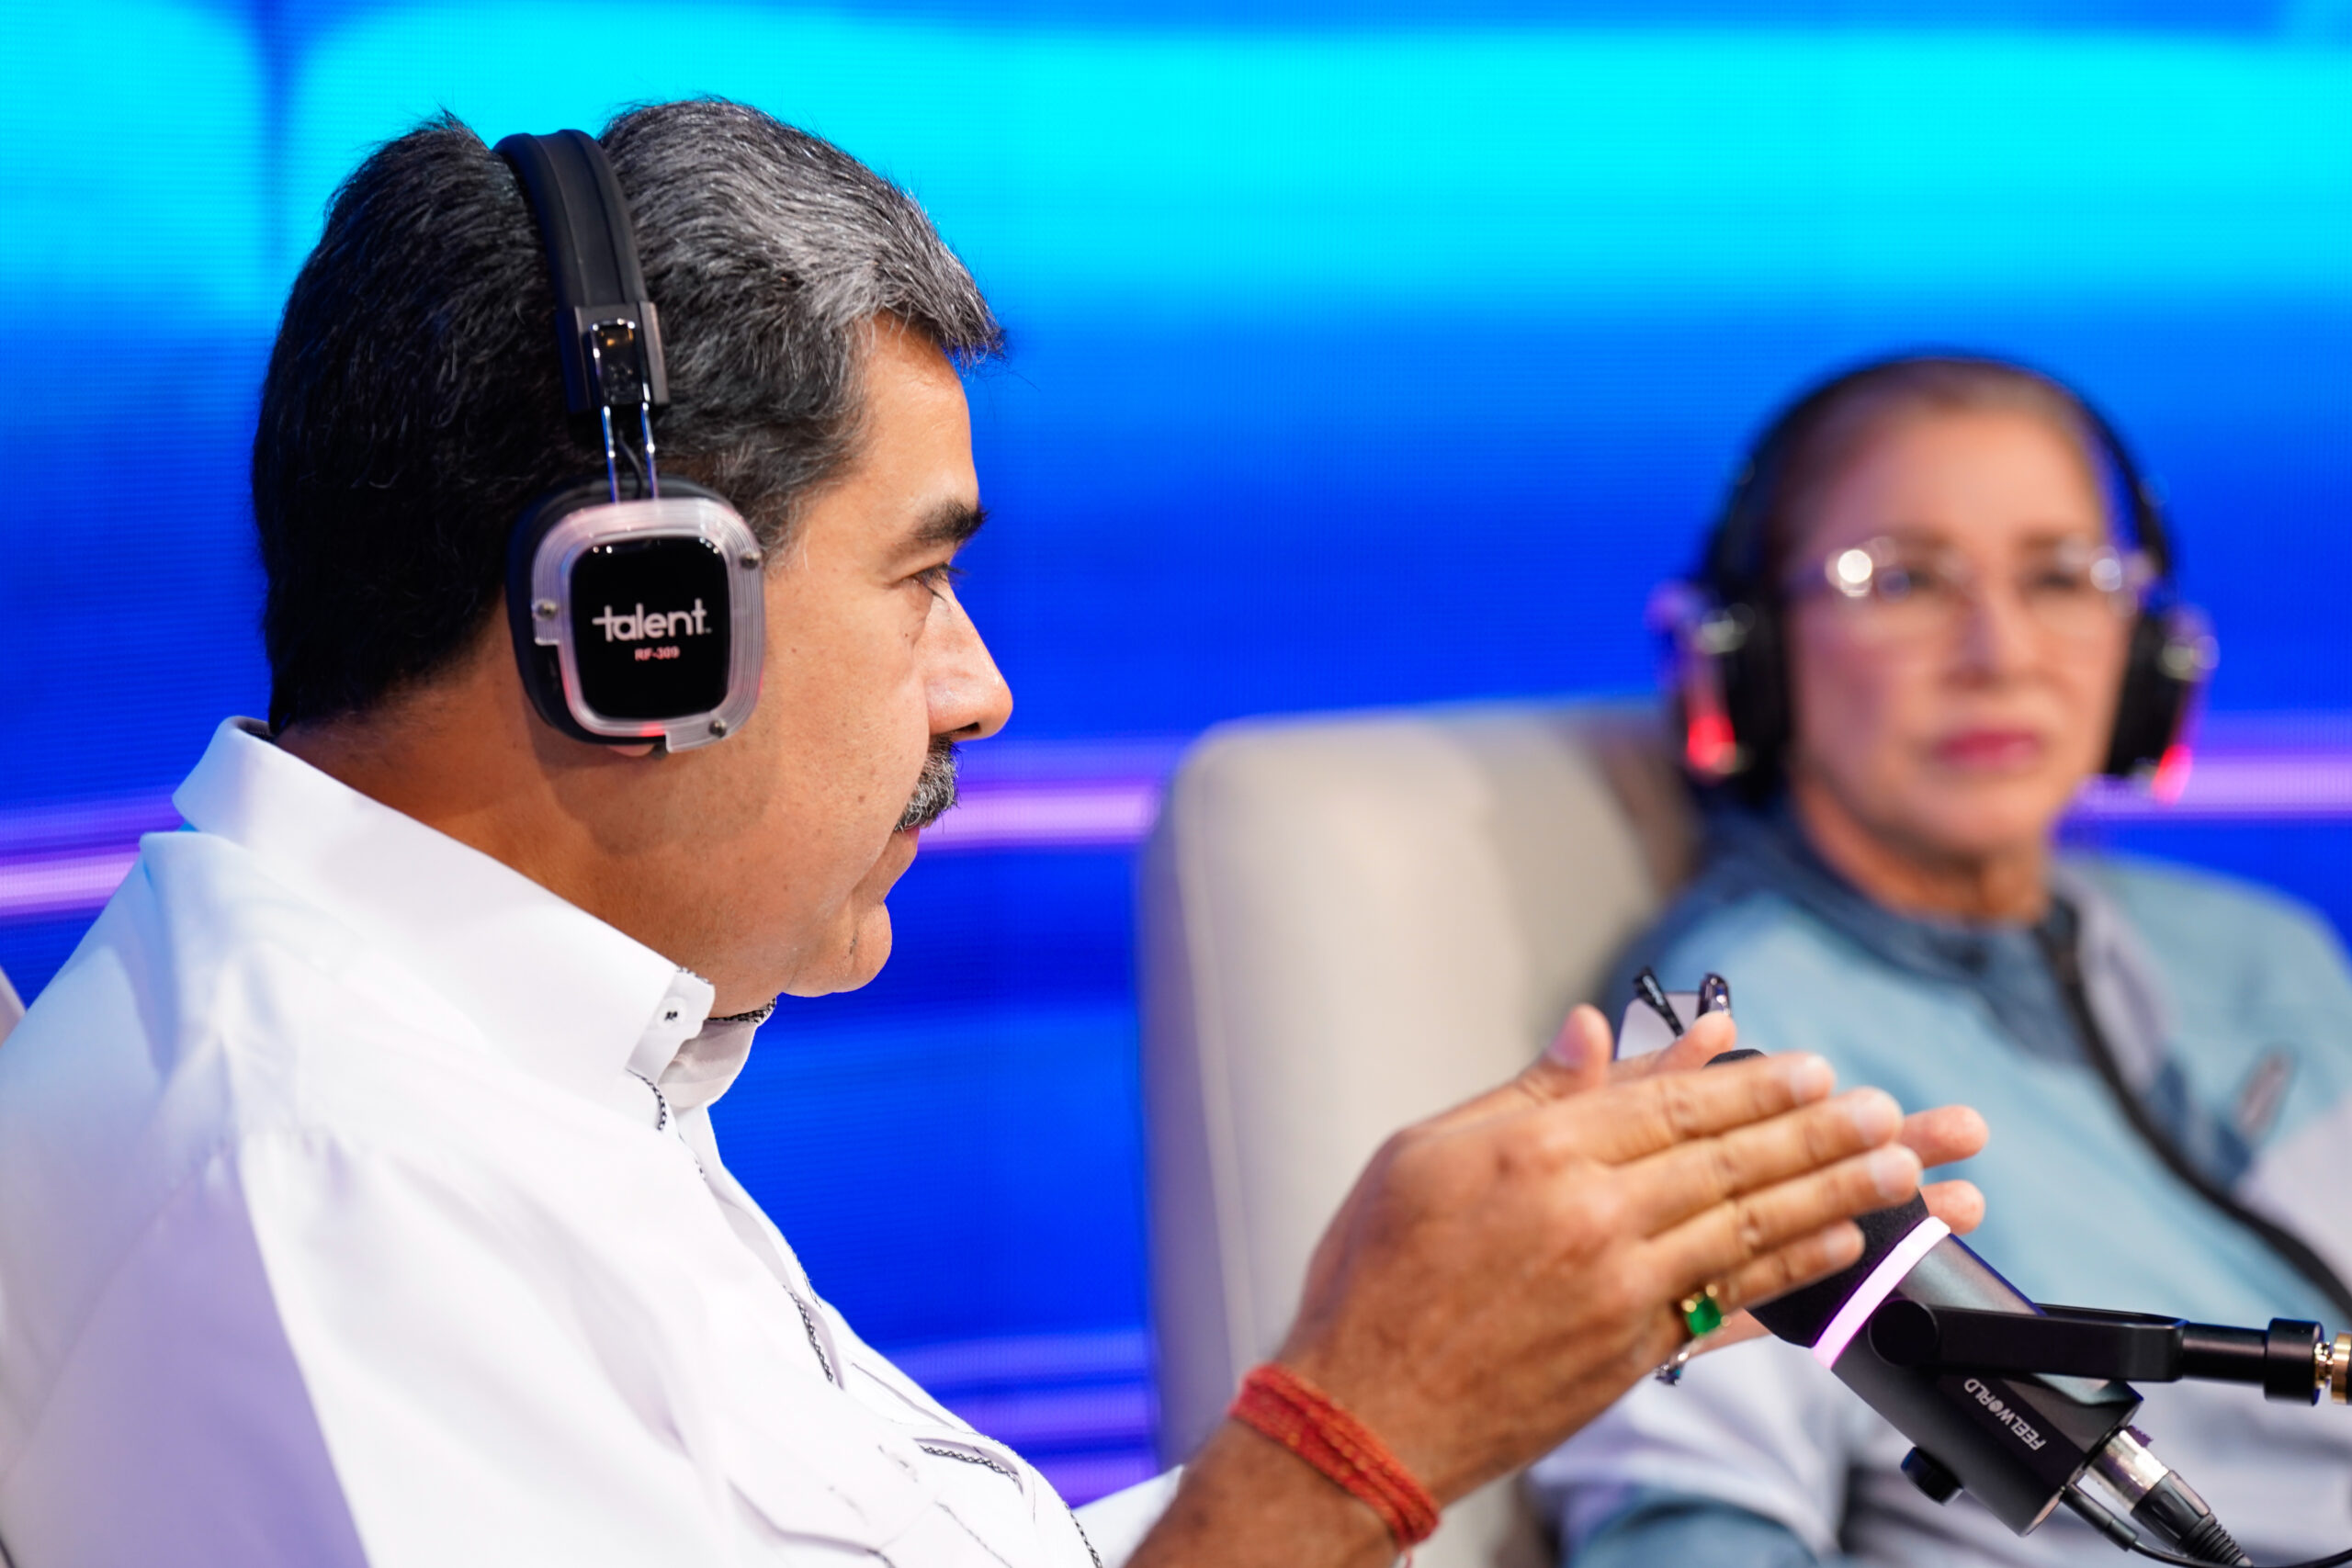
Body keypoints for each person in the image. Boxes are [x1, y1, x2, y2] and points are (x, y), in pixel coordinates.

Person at [0, 106, 1981, 1568]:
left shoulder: (484, 1073)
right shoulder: (329, 1183)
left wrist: (1481, 1343)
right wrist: (1351, 1433)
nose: (980, 689)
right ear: (635, 621)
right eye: (922, 580)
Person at [1532, 355, 2352, 1568]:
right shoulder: (1727, 1054)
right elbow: (1686, 1533)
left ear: (2147, 653)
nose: (1998, 651)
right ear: (1750, 657)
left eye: (2061, 576)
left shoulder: (2264, 953)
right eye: (1902, 579)